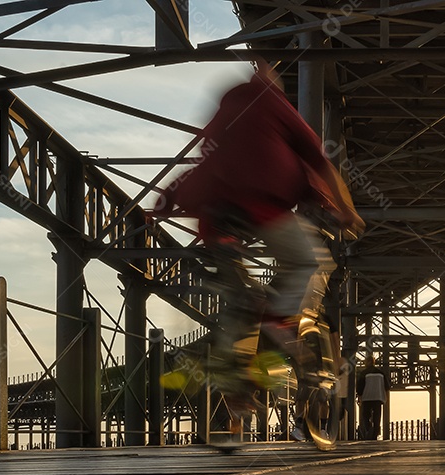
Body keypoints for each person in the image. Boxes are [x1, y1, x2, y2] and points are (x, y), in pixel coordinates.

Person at [154, 57, 364, 399]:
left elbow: (203, 159)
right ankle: (279, 318)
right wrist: (346, 210)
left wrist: (164, 201)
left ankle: (235, 380)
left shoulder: (226, 114)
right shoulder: (275, 105)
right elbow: (320, 162)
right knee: (310, 262)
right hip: (260, 205)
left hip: (213, 217)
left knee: (240, 298)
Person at [357, 358, 387, 440]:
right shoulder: (381, 373)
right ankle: (375, 434)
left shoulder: (364, 373)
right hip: (378, 397)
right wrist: (385, 397)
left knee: (365, 416)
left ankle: (368, 429)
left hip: (367, 398)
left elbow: (360, 387)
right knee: (377, 417)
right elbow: (387, 386)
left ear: (368, 362)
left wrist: (359, 397)